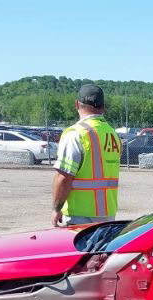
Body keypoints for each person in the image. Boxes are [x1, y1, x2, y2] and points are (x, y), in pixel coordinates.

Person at [52, 84, 122, 227]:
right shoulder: (113, 135)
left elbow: (64, 177)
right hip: (107, 214)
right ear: (103, 107)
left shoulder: (76, 134)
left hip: (79, 216)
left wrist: (56, 208)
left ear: (77, 104)